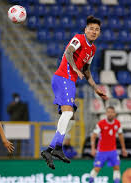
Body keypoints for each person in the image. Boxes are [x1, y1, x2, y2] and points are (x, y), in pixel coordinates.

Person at [41, 15, 108, 170]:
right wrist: (75, 69)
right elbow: (68, 53)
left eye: (97, 29)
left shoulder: (92, 49)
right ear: (86, 30)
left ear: (99, 32)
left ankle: (51, 149)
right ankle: (55, 148)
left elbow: (87, 71)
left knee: (72, 116)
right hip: (64, 77)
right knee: (68, 114)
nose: (94, 31)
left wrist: (96, 88)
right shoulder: (78, 38)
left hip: (69, 80)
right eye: (91, 28)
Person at [88, 106, 128, 183]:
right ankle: (90, 181)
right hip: (102, 151)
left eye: (112, 112)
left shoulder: (117, 123)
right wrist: (93, 148)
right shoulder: (101, 124)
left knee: (116, 168)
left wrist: (123, 148)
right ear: (106, 113)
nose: (110, 114)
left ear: (115, 114)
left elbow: (120, 135)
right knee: (97, 168)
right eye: (108, 112)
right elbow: (93, 136)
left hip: (113, 151)